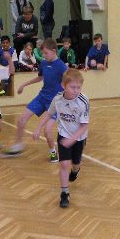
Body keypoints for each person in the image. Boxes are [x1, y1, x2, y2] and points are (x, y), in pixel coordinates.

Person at [4, 38, 68, 161]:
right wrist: (23, 85)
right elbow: (40, 78)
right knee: (21, 120)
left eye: (46, 53)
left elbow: (68, 84)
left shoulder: (61, 67)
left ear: (54, 51)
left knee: (47, 130)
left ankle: (53, 152)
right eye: (43, 53)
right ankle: (18, 146)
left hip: (54, 102)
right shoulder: (44, 63)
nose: (44, 56)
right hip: (42, 97)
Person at [33, 69, 89, 208]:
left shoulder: (83, 101)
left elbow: (84, 126)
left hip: (78, 137)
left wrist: (73, 139)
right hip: (64, 135)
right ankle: (64, 192)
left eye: (79, 87)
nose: (76, 90)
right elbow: (48, 114)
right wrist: (38, 128)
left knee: (75, 163)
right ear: (63, 85)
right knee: (64, 164)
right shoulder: (57, 99)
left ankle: (75, 171)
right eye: (72, 87)